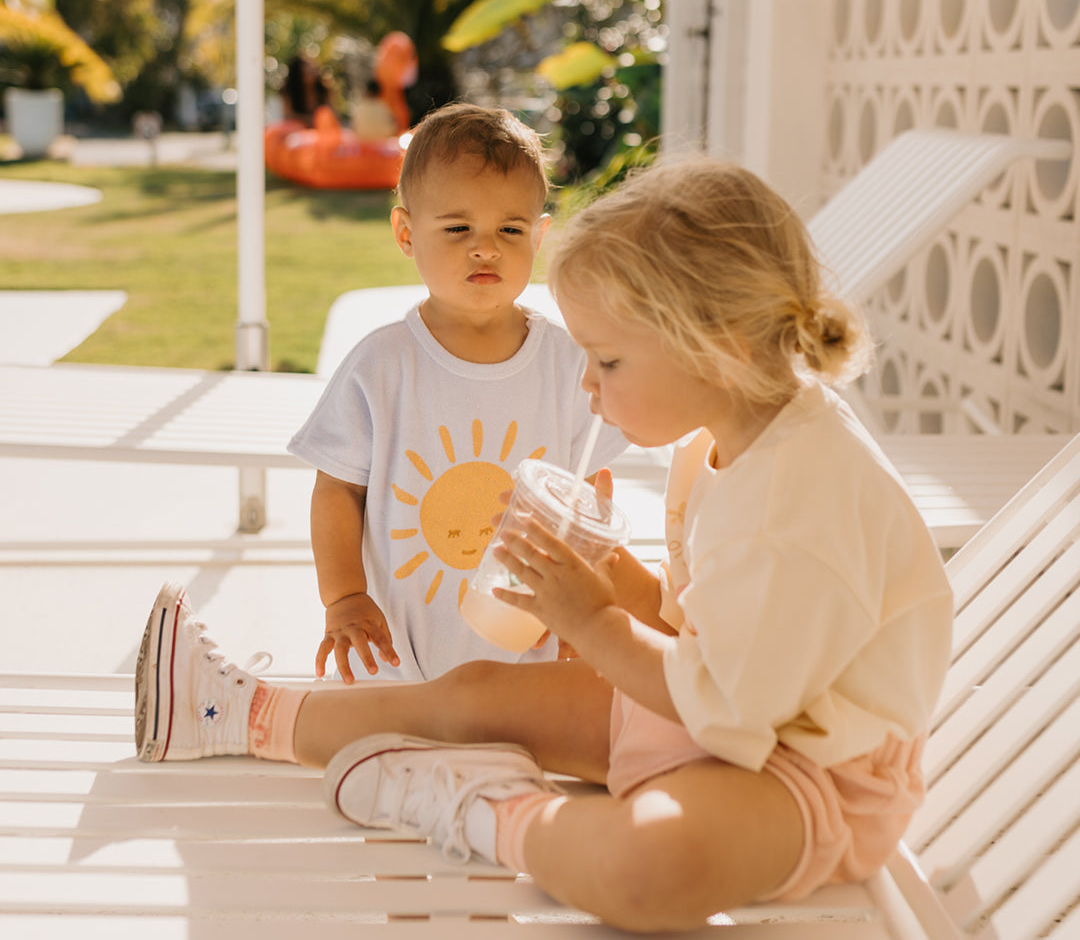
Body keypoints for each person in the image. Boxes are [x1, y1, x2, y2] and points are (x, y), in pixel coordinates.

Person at [134, 156, 953, 931]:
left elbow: (731, 706)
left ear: (719, 346)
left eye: (605, 359)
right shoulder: (725, 438)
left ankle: (491, 811)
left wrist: (592, 620)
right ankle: (231, 710)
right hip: (715, 713)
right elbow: (694, 628)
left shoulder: (801, 501)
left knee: (654, 866)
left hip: (804, 776)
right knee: (477, 692)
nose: (586, 384)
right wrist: (606, 572)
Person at [286, 102, 626, 682]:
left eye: (510, 229)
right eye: (458, 228)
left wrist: (585, 602)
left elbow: (586, 493)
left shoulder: (566, 364)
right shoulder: (382, 365)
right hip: (398, 655)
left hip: (527, 647)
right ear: (405, 233)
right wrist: (343, 598)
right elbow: (337, 491)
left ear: (539, 236)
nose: (485, 247)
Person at [281, 53, 332, 127]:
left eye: (312, 71)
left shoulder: (324, 89)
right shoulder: (289, 92)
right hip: (298, 129)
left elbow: (332, 113)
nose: (311, 75)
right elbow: (288, 116)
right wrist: (309, 120)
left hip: (321, 129)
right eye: (306, 73)